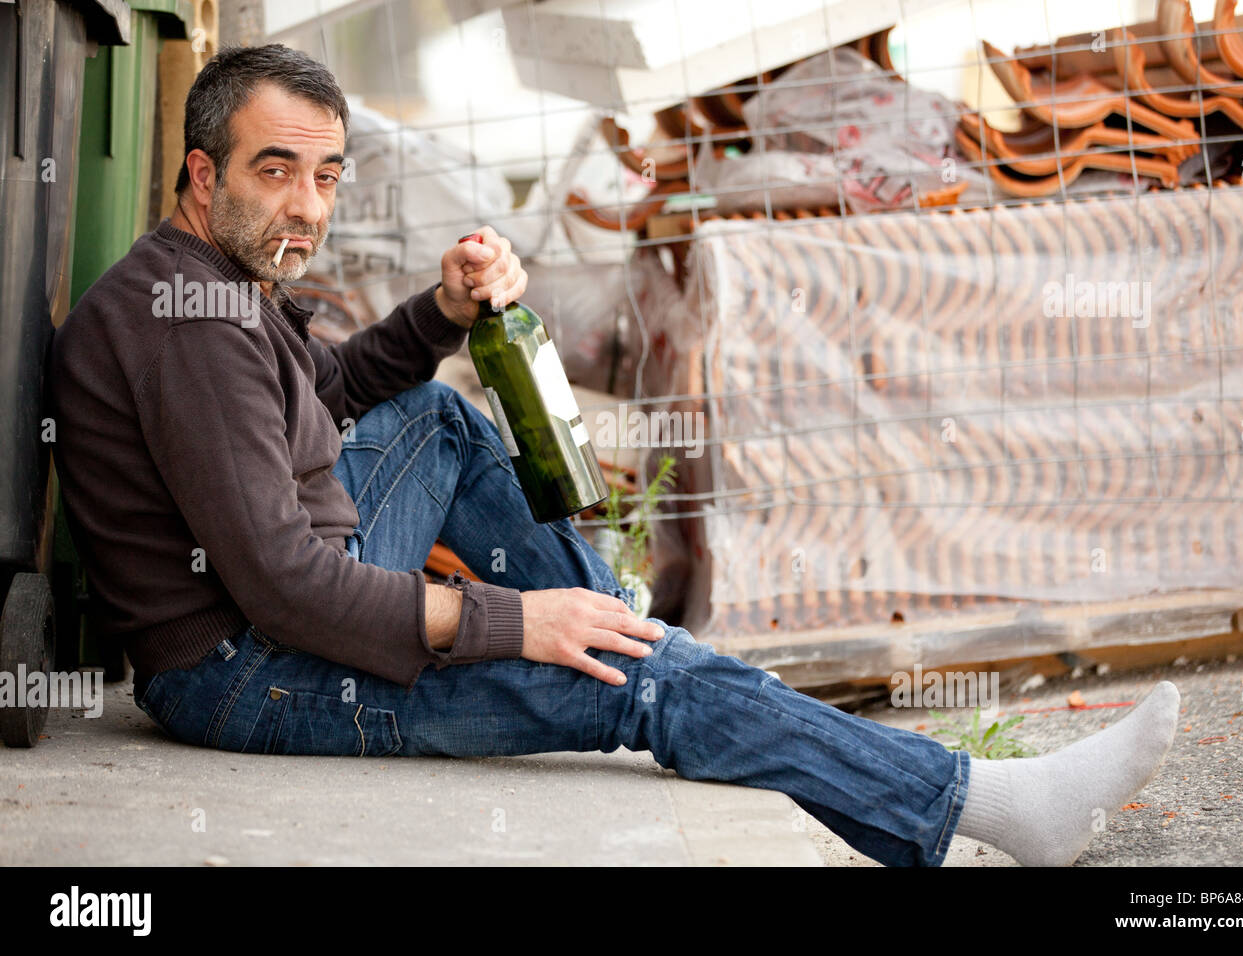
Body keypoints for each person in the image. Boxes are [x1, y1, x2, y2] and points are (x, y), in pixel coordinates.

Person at [49, 44, 1179, 867]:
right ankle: (975, 800)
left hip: (269, 607)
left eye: (328, 174)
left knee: (441, 422)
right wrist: (515, 623)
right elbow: (288, 589)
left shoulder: (207, 281)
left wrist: (442, 311)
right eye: (275, 170)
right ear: (202, 174)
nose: (308, 205)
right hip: (249, 671)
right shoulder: (190, 327)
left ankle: (631, 648)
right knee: (633, 673)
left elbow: (326, 399)